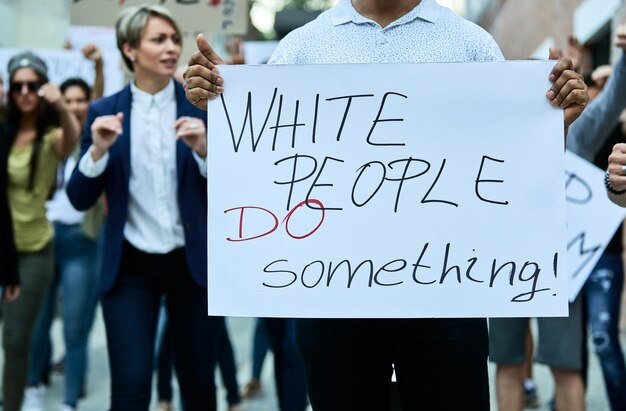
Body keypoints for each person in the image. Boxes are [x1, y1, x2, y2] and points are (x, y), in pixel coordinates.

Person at [183, 0, 588, 409]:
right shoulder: (300, 48)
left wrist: (550, 126)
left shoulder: (471, 45)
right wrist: (226, 109)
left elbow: (505, 168)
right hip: (331, 298)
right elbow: (265, 170)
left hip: (446, 294)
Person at [66, 5, 223, 410]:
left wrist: (206, 152)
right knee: (131, 389)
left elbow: (235, 192)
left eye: (174, 39)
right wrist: (98, 150)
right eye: (159, 39)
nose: (171, 47)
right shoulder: (104, 112)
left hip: (193, 265)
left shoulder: (201, 107)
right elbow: (79, 197)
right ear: (130, 49)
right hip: (130, 268)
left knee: (199, 385)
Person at [23, 43, 107, 411]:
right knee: (37, 325)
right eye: (68, 100)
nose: (75, 105)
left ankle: (70, 400)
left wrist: (98, 65)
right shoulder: (50, 139)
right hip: (42, 241)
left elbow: (101, 96)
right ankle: (33, 387)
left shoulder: (93, 138)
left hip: (82, 243)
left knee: (75, 327)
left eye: (81, 100)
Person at [2, 51, 80, 411]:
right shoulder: (4, 130)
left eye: (32, 85)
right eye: (18, 85)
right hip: (3, 245)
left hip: (32, 249)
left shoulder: (49, 137)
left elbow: (71, 140)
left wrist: (61, 104)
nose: (25, 92)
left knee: (16, 340)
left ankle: (12, 404)